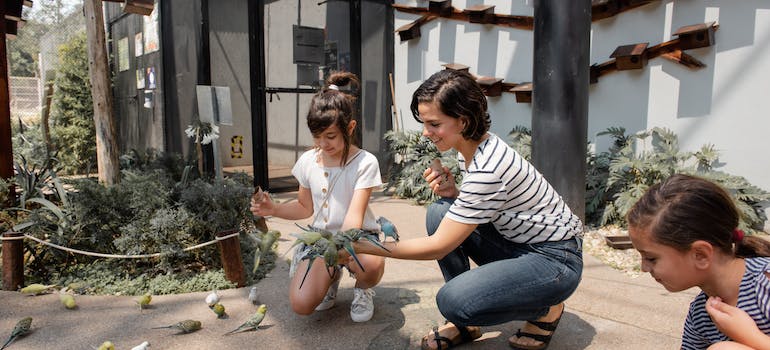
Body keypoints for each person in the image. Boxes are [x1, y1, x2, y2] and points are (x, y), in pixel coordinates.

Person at [350, 69, 584, 350]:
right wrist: (455, 194)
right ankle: (465, 324)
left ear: (463, 120)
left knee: (452, 301)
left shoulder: (489, 167)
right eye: (424, 123)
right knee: (441, 210)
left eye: (434, 123)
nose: (426, 133)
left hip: (556, 261)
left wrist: (362, 246)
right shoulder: (474, 149)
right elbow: (487, 206)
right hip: (522, 244)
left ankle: (545, 309)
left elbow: (438, 247)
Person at [251, 71, 385, 323]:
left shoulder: (365, 162)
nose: (323, 144)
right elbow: (304, 208)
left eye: (330, 136)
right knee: (301, 305)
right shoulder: (307, 161)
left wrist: (341, 250)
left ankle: (362, 289)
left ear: (350, 128)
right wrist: (274, 209)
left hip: (356, 236)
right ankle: (330, 277)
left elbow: (354, 217)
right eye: (316, 136)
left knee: (372, 264)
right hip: (321, 240)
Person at [627, 174, 770, 350]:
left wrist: (749, 336)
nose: (644, 268)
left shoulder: (765, 282)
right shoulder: (701, 314)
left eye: (651, 258)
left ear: (700, 255)